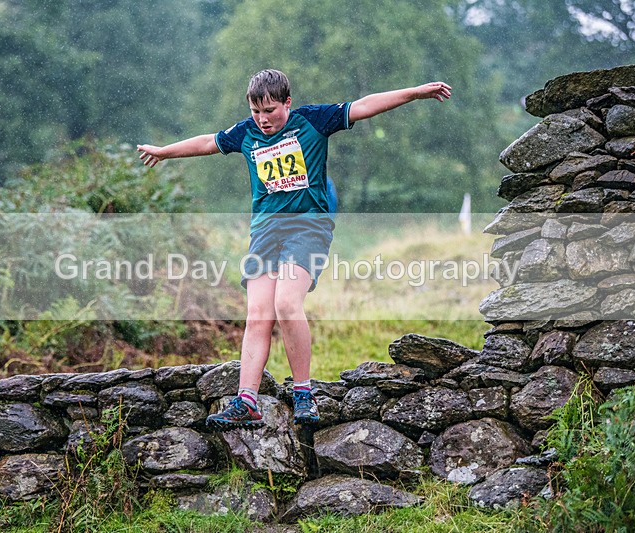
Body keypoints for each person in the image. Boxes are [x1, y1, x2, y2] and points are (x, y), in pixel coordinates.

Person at [138, 69, 451, 430]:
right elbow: (207, 142)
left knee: (287, 303)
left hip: (308, 228)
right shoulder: (247, 133)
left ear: (287, 102)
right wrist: (163, 153)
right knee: (258, 314)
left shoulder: (313, 121)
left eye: (270, 110)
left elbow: (365, 106)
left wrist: (414, 92)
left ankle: (304, 393)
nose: (263, 119)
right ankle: (246, 401)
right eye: (256, 112)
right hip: (265, 233)